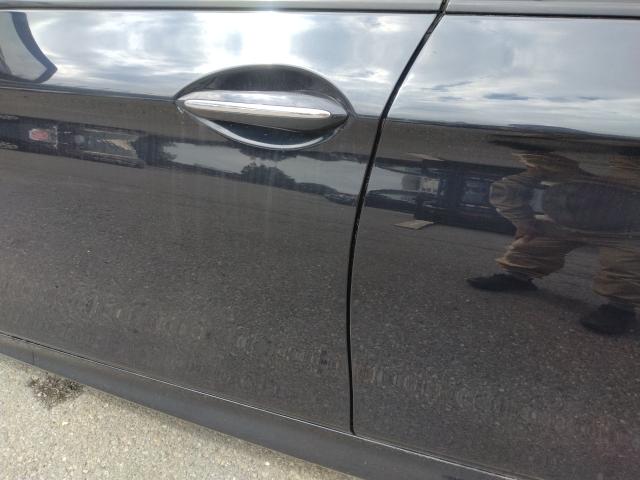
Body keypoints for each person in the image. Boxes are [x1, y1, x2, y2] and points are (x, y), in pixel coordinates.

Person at [468, 153, 640, 335]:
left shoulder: (546, 171)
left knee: (624, 265)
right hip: (574, 224)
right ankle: (518, 277)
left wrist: (524, 221)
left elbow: (537, 166)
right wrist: (524, 223)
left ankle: (620, 309)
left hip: (624, 212)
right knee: (531, 246)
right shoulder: (544, 178)